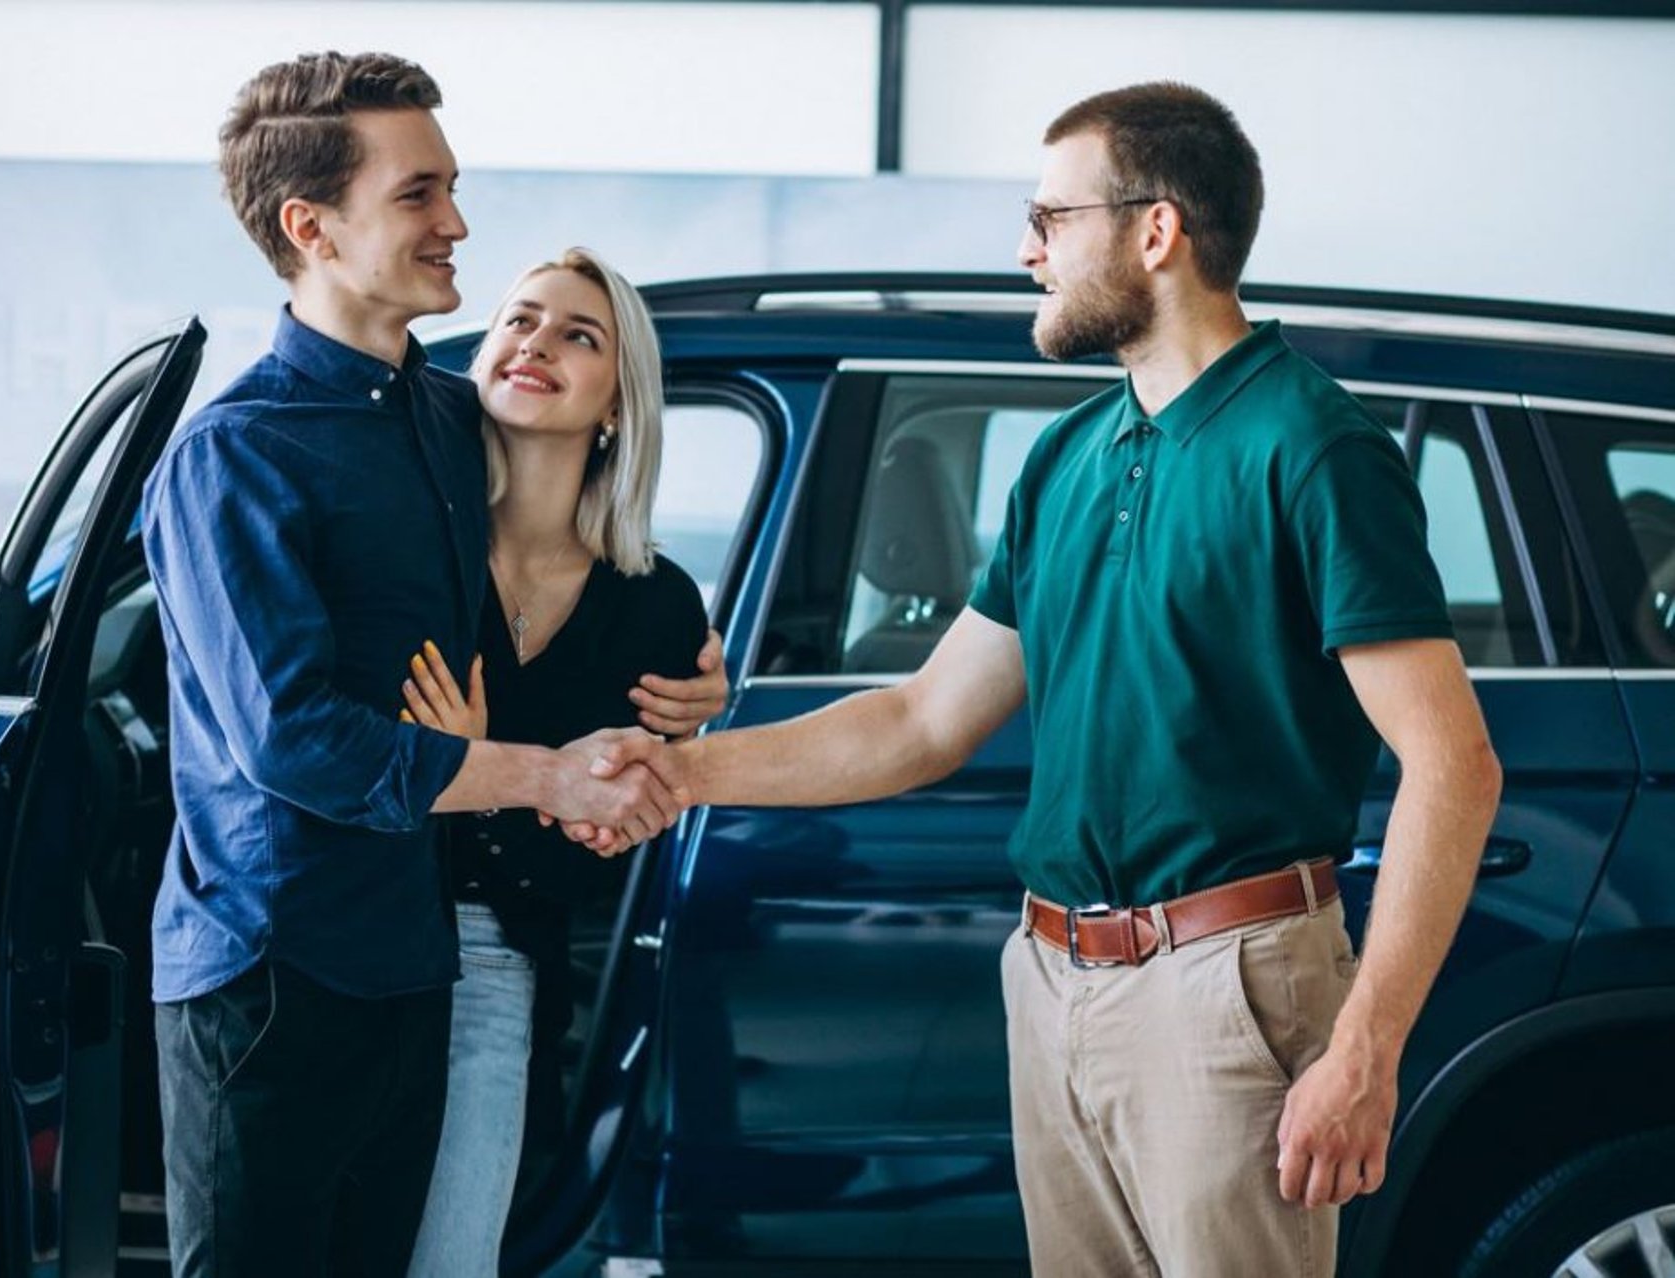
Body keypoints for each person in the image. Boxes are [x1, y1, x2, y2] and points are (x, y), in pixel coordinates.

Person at [583, 82, 1503, 1275]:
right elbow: (922, 719)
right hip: (1053, 980)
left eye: (1050, 219)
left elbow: (1453, 764)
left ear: (1155, 232)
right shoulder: (1068, 458)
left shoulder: (1313, 447)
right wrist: (681, 769)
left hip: (1228, 987)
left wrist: (1365, 1052)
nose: (1028, 251)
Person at [141, 54, 690, 1278]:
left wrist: (684, 688)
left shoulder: (447, 418)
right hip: (271, 974)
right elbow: (295, 743)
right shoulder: (237, 457)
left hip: (413, 967)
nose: (456, 225)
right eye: (420, 194)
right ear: (312, 226)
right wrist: (539, 775)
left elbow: (569, 564)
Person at [398, 248, 720, 1276]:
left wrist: (577, 798)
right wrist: (523, 775)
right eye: (519, 321)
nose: (536, 342)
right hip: (350, 939)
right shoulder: (405, 553)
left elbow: (612, 827)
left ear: (619, 403)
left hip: (498, 960)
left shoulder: (656, 604)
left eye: (579, 335)